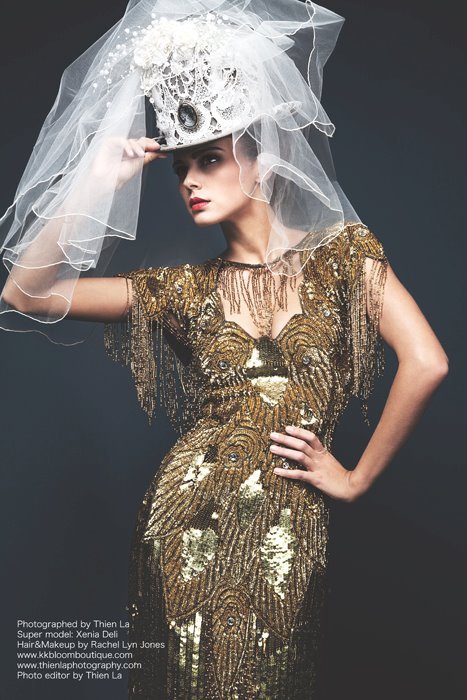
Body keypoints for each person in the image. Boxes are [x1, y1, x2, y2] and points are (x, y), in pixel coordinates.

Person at [0, 2, 449, 698]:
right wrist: (94, 181)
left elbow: (427, 362)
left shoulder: (343, 255)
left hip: (286, 528)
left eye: (210, 160)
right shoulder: (182, 290)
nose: (189, 180)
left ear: (263, 158)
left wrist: (356, 479)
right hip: (183, 523)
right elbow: (24, 292)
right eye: (181, 166)